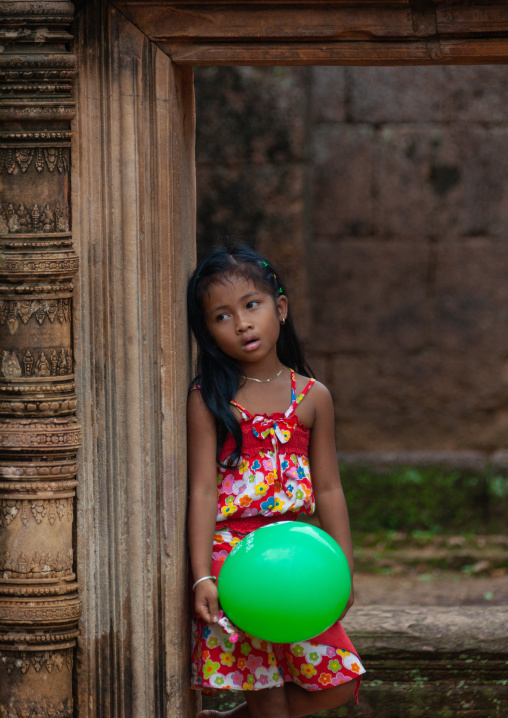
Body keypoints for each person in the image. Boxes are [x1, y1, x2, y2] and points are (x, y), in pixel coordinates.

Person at [187, 245, 365, 718]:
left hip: (298, 557)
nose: (242, 323)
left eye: (252, 305)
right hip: (237, 564)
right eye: (222, 316)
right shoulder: (209, 398)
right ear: (208, 332)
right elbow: (203, 489)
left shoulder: (313, 396)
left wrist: (342, 566)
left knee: (338, 684)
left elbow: (328, 488)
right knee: (265, 692)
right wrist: (203, 574)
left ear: (279, 308)